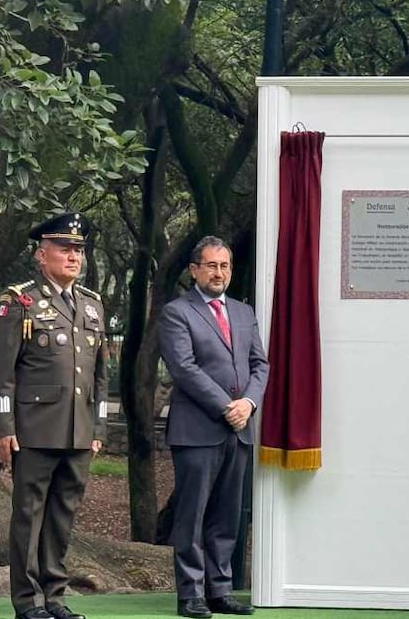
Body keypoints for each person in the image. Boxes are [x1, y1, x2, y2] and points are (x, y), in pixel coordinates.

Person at [0, 212, 108, 619]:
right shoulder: (19, 301)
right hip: (33, 431)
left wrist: (98, 426)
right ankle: (28, 600)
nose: (74, 256)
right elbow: (0, 375)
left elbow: (100, 376)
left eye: (78, 250)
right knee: (29, 516)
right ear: (42, 255)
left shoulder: (91, 305)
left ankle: (55, 597)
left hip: (78, 431)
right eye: (64, 249)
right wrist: (1, 429)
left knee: (62, 517)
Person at [159, 236, 269, 618]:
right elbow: (184, 368)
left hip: (238, 430)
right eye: (210, 265)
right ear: (194, 270)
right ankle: (191, 594)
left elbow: (260, 365)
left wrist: (249, 403)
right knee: (192, 516)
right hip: (197, 430)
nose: (218, 272)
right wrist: (227, 407)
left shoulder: (243, 312)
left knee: (226, 517)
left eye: (224, 266)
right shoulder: (177, 312)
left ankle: (220, 591)